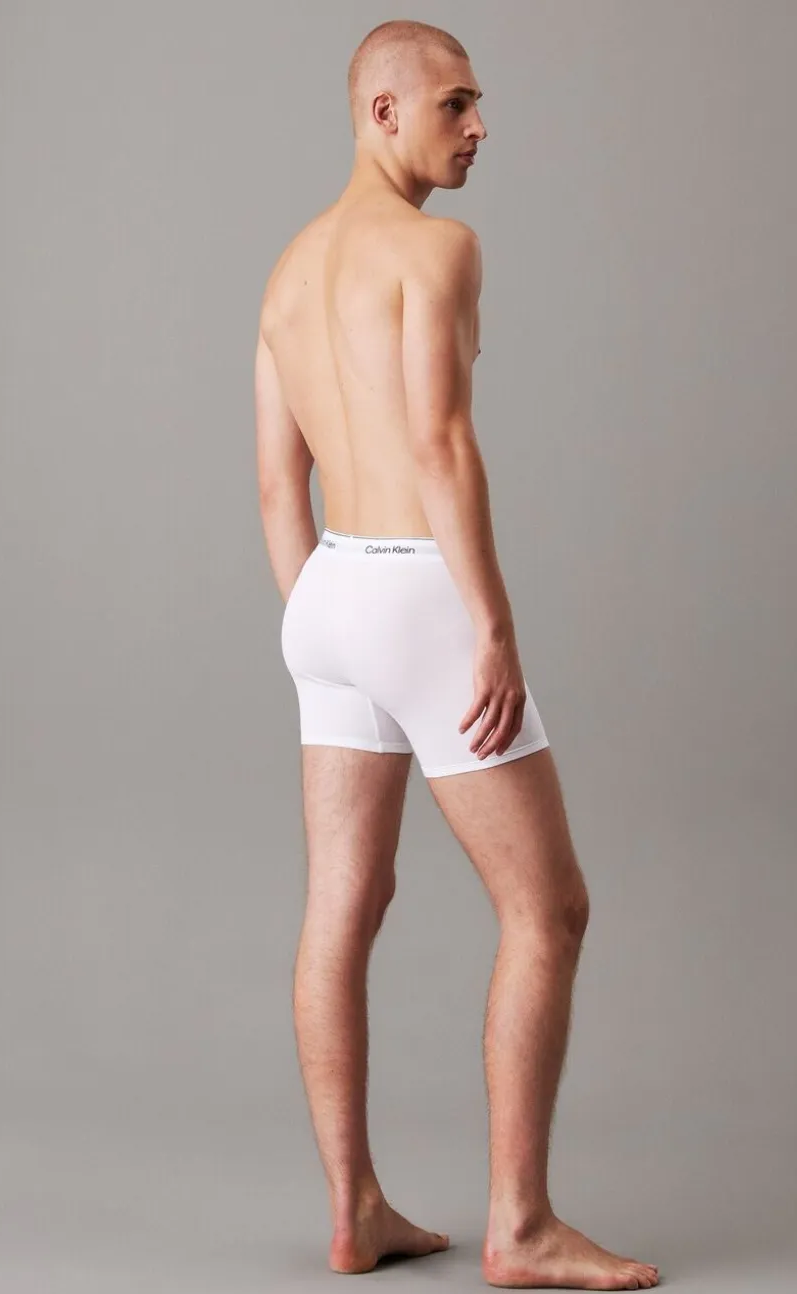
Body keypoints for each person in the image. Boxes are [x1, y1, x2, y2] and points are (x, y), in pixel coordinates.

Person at [255, 18, 660, 1291]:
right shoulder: (438, 249)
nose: (480, 128)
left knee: (342, 901)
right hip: (417, 588)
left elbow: (276, 483)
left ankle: (353, 1210)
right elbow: (438, 444)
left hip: (327, 596)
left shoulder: (288, 271)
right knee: (548, 907)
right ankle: (519, 1225)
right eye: (456, 104)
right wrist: (487, 623)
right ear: (383, 112)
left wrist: (324, 626)